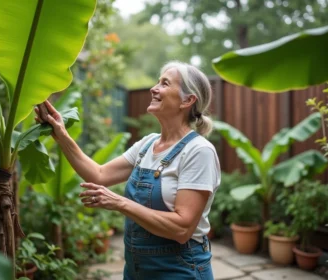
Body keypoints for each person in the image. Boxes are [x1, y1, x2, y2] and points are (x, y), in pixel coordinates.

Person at [35, 61, 221, 280]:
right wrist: (61, 135)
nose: (154, 88)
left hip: (179, 269)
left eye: (164, 83)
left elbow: (182, 229)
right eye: (157, 81)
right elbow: (99, 174)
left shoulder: (199, 151)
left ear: (187, 100)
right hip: (136, 269)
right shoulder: (147, 144)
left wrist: (120, 203)